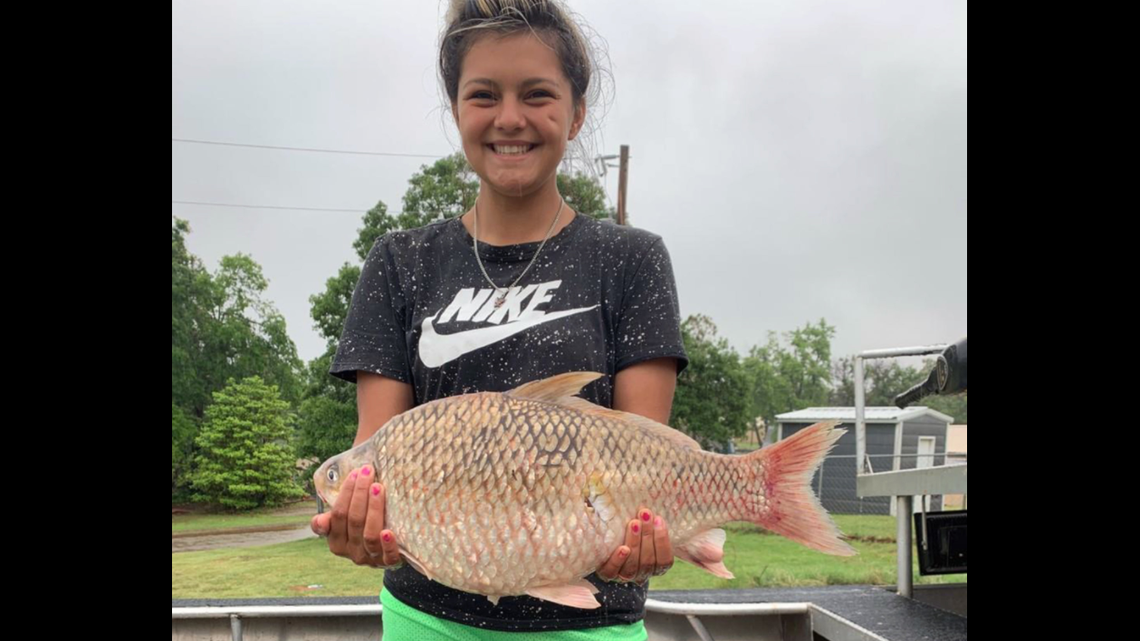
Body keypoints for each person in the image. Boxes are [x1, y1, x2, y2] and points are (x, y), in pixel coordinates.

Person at [311, 1, 689, 637]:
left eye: (537, 94)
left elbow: (643, 458)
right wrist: (363, 524)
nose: (509, 118)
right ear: (456, 109)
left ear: (577, 113)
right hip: (428, 618)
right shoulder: (399, 261)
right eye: (483, 94)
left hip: (594, 622)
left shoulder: (633, 259)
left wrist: (646, 536)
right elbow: (376, 447)